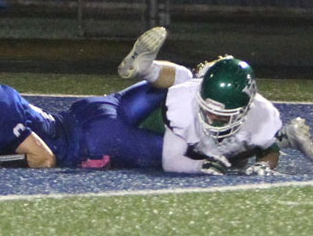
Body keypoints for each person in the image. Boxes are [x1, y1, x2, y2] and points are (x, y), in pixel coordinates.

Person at [0, 53, 169, 169]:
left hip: (94, 141)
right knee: (172, 84)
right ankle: (167, 71)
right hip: (91, 110)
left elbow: (45, 159)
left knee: (187, 156)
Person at [118, 27, 313, 175]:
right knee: (186, 79)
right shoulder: (184, 100)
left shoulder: (260, 114)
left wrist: (264, 165)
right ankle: (147, 69)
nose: (212, 117)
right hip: (180, 133)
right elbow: (171, 160)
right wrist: (199, 166)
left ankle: (286, 136)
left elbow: (268, 149)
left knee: (241, 150)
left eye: (221, 114)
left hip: (230, 143)